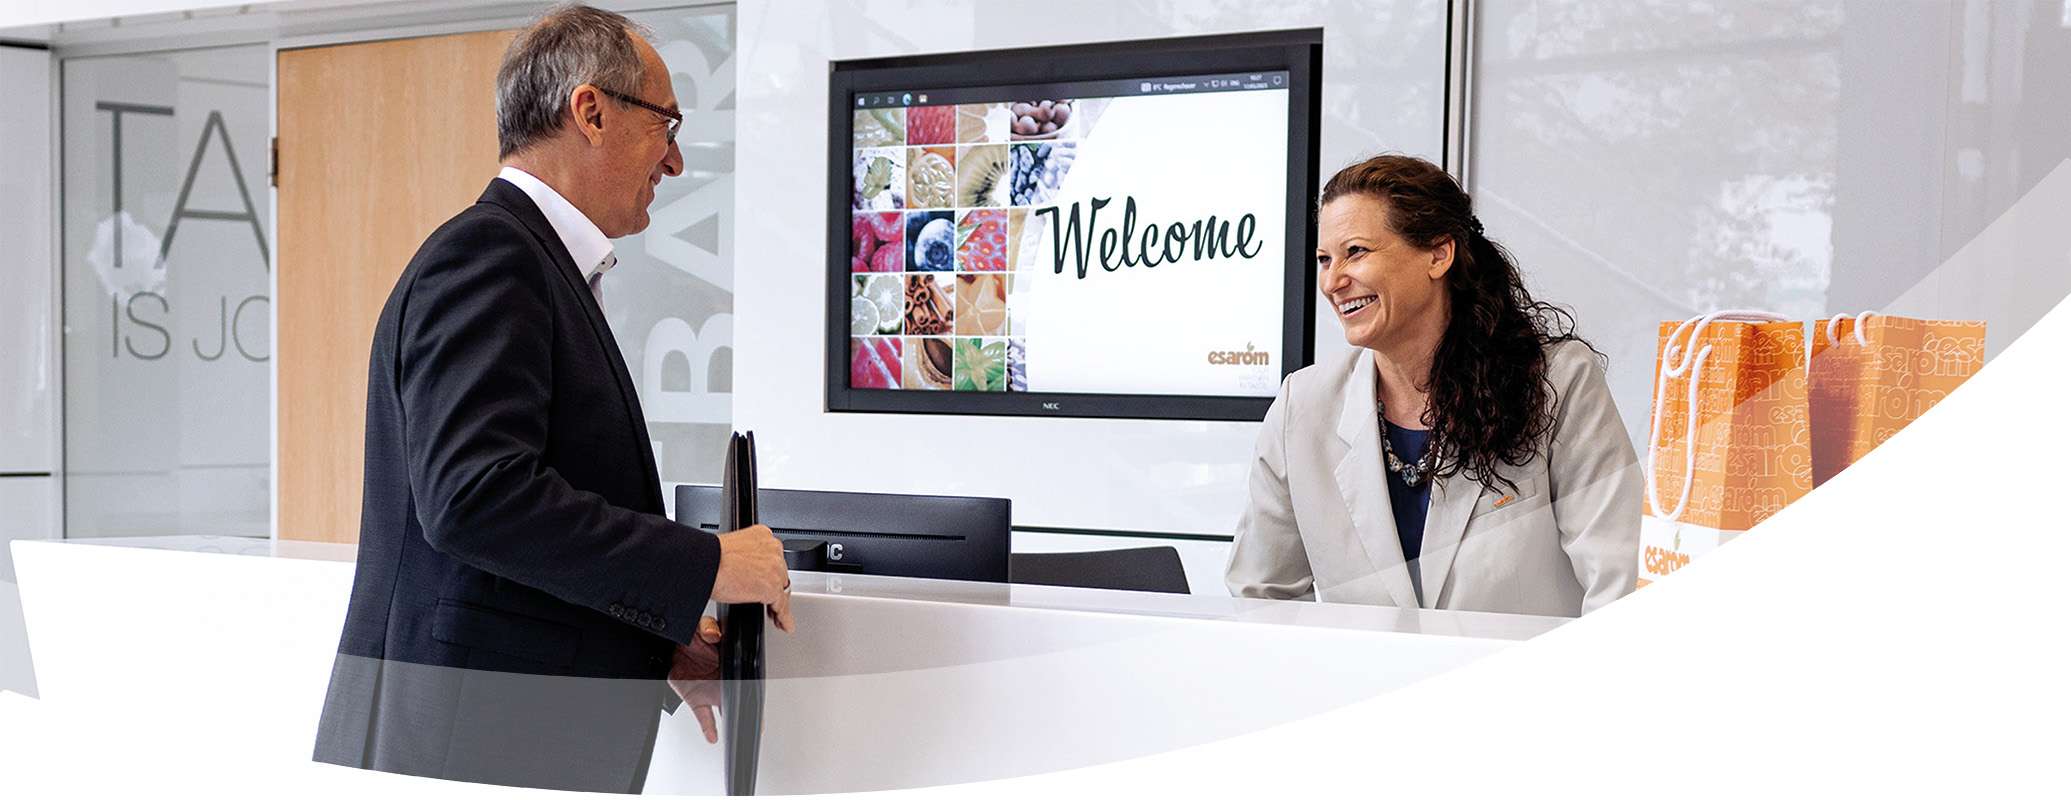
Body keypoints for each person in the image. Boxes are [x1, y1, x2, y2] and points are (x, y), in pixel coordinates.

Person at [312, 5, 792, 792]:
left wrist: (659, 641)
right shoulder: (489, 257)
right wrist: (706, 562)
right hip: (468, 749)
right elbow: (476, 499)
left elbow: (512, 533)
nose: (674, 164)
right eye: (666, 125)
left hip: (494, 740)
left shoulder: (528, 262)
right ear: (591, 111)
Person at [1224, 154, 1640, 617]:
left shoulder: (1558, 380)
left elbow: (1618, 579)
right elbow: (1262, 597)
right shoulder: (1303, 405)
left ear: (1439, 254)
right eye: (1325, 258)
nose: (1333, 281)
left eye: (1355, 252)